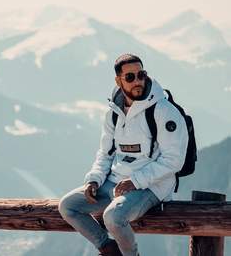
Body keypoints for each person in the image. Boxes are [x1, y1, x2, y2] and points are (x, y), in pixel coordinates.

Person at [58, 53, 189, 256]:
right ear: (118, 80)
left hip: (151, 186)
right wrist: (94, 180)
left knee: (113, 217)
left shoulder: (164, 111)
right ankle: (107, 248)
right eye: (130, 77)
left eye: (141, 75)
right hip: (116, 182)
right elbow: (105, 153)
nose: (137, 81)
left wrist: (135, 181)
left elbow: (174, 160)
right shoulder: (113, 112)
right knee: (67, 206)